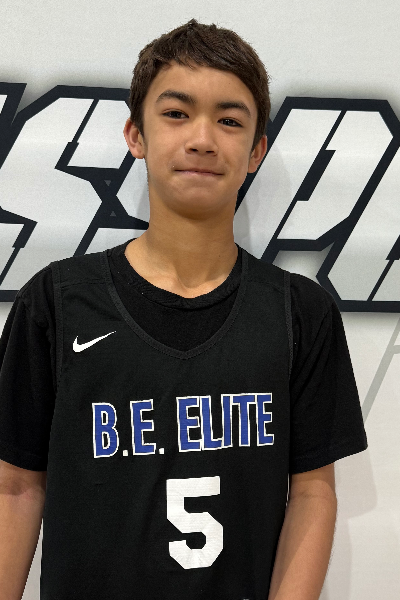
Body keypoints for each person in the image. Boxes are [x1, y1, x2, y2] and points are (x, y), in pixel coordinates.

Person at [0, 18, 368, 600]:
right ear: (136, 135)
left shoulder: (301, 313)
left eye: (229, 120)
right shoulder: (56, 301)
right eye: (176, 113)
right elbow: (16, 488)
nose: (202, 138)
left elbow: (313, 491)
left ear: (256, 150)